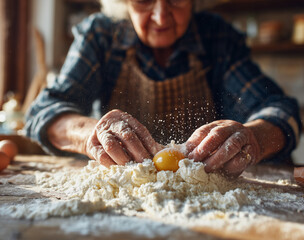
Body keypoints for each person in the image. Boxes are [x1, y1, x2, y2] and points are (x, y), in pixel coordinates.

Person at [25, 0, 302, 178]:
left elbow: (281, 110)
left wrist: (254, 137)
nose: (160, 16)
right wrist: (91, 136)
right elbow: (45, 111)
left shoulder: (217, 37)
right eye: (144, 1)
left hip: (208, 196)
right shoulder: (101, 35)